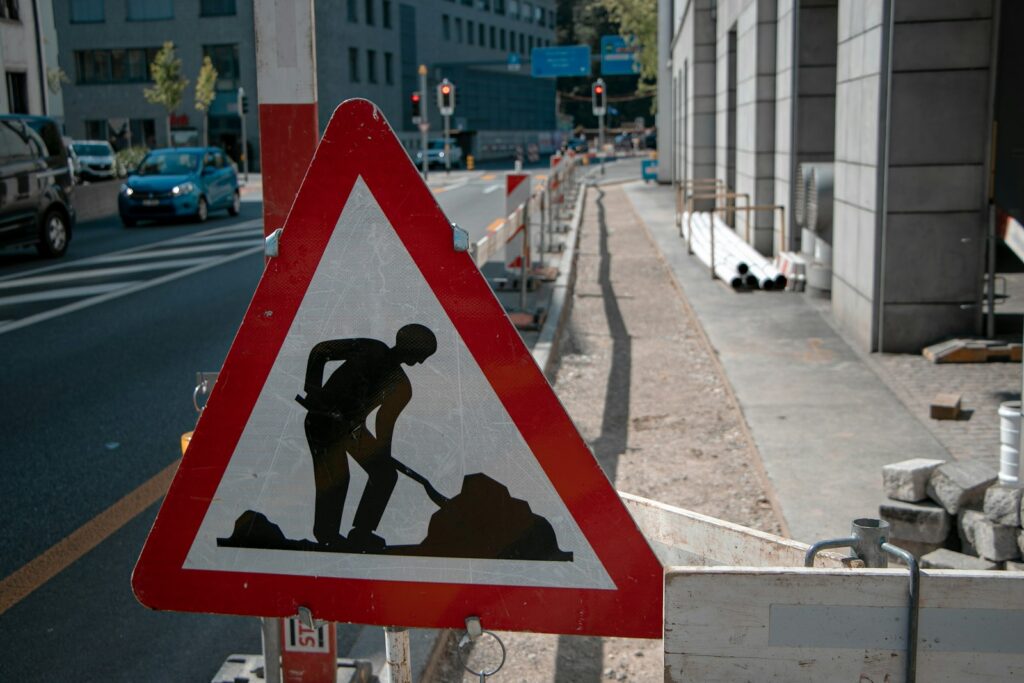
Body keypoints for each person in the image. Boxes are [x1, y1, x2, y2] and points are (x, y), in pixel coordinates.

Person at [297, 324, 437, 551]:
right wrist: (313, 390)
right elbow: (321, 351)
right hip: (323, 419)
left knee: (384, 474)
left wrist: (382, 454)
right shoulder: (371, 349)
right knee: (337, 478)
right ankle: (327, 535)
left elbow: (385, 423)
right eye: (422, 355)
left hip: (352, 430)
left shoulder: (402, 386)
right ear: (412, 348)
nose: (421, 362)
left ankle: (362, 532)